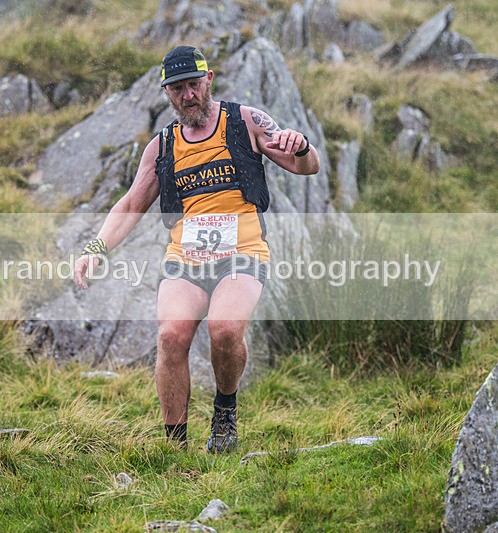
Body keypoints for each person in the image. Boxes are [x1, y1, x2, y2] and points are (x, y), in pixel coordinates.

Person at [74, 45, 319, 452]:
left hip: (242, 253)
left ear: (209, 80)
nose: (188, 95)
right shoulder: (162, 146)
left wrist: (303, 146)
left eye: (193, 85)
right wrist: (95, 248)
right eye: (178, 89)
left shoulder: (246, 121)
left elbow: (306, 167)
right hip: (185, 260)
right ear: (167, 93)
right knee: (171, 336)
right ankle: (176, 446)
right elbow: (132, 205)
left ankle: (225, 412)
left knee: (224, 330)